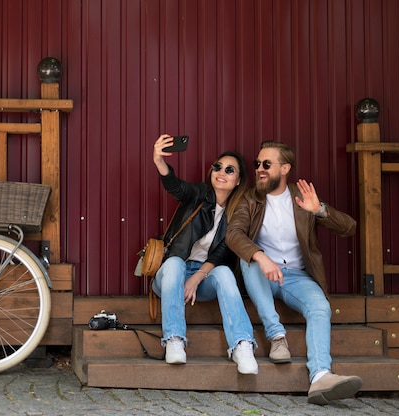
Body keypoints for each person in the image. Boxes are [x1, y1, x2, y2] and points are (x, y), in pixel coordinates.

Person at [226, 140, 363, 403]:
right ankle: (277, 336)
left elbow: (349, 227)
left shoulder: (301, 198)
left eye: (267, 164)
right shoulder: (250, 198)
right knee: (249, 258)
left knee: (320, 308)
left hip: (297, 277)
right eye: (257, 164)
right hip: (261, 275)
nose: (260, 169)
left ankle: (321, 376)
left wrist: (320, 211)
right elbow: (234, 234)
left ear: (285, 168)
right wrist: (261, 256)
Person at [150, 134, 258, 375]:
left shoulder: (238, 213)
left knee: (224, 272)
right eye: (217, 167)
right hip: (170, 275)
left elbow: (223, 253)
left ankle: (242, 344)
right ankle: (174, 339)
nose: (221, 172)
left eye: (230, 170)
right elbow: (175, 185)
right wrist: (158, 160)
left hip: (203, 278)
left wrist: (197, 277)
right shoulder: (198, 194)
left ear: (239, 180)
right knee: (176, 263)